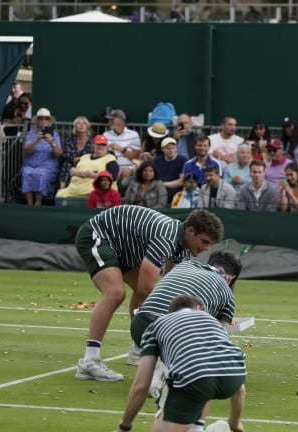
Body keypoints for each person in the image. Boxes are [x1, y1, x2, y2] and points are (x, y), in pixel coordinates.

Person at [74, 206, 224, 381]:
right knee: (116, 293)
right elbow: (147, 289)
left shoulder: (184, 247)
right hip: (98, 234)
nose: (207, 249)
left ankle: (139, 350)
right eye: (205, 241)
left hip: (123, 247)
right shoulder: (165, 238)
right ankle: (89, 362)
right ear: (190, 231)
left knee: (141, 292)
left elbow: (171, 288)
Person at [114, 294, 245, 432]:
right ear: (199, 308)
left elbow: (141, 385)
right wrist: (235, 423)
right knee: (204, 375)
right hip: (234, 374)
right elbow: (239, 389)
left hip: (193, 377)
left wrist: (124, 427)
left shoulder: (155, 326)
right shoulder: (213, 321)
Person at [55, 134, 119, 200]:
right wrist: (83, 173)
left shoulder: (110, 158)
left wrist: (93, 175)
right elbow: (72, 170)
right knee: (60, 194)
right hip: (74, 189)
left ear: (107, 147)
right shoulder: (85, 157)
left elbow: (112, 176)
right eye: (98, 144)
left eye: (103, 145)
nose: (100, 147)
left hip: (95, 190)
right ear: (93, 145)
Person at [21, 108, 62, 205]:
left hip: (47, 166)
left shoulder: (54, 134)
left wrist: (52, 143)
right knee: (26, 172)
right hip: (31, 164)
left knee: (41, 174)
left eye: (46, 119)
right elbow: (26, 150)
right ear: (37, 121)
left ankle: (38, 203)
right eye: (41, 119)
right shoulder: (31, 133)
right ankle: (29, 203)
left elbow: (59, 153)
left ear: (49, 121)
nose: (43, 121)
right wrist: (36, 140)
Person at [103, 109, 141, 182]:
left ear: (121, 120)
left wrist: (121, 149)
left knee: (126, 172)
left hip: (127, 171)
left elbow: (136, 157)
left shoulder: (133, 134)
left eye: (112, 120)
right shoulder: (106, 134)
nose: (109, 122)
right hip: (109, 168)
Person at [58, 116, 94, 189]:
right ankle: (61, 190)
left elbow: (93, 155)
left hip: (86, 164)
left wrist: (81, 158)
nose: (81, 125)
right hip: (71, 163)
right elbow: (66, 154)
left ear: (87, 127)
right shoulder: (69, 140)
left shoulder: (92, 142)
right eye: (78, 123)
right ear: (75, 127)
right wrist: (74, 159)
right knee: (66, 164)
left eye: (84, 123)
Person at [154, 137, 186, 203]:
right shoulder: (158, 160)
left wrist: (162, 184)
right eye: (168, 148)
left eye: (173, 148)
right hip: (159, 188)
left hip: (176, 190)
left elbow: (181, 181)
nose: (171, 150)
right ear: (163, 149)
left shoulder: (182, 160)